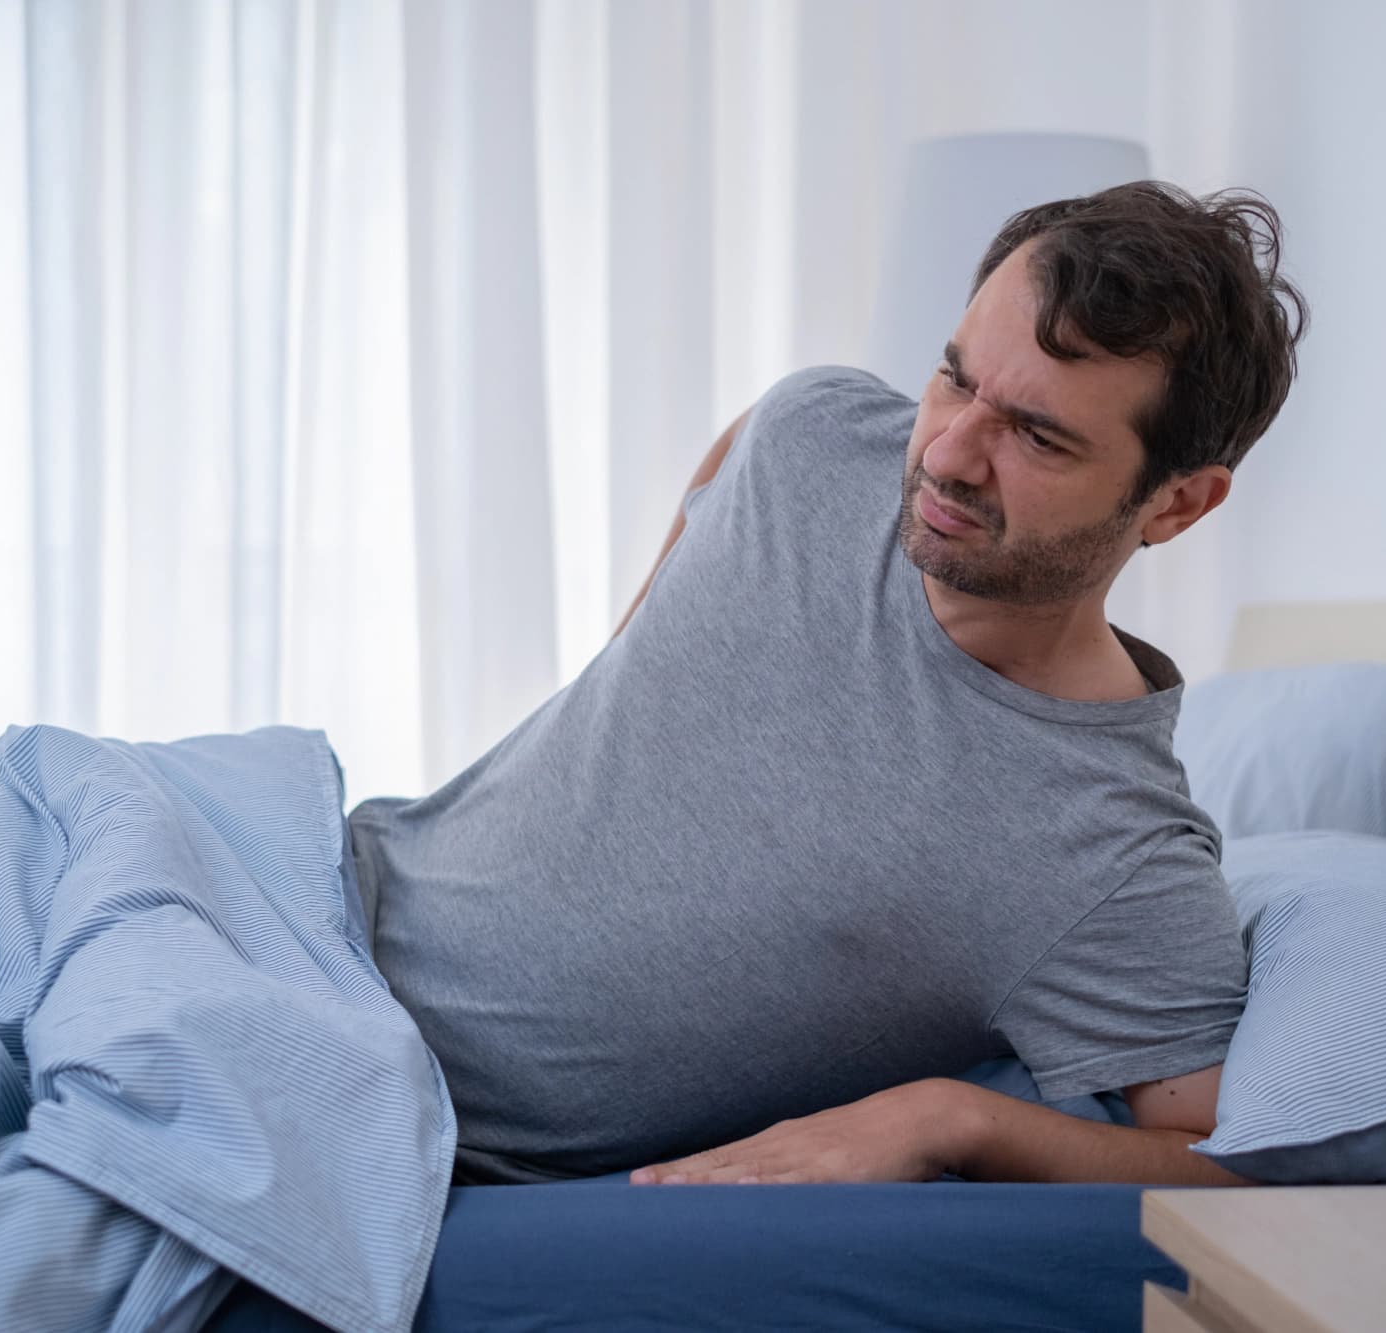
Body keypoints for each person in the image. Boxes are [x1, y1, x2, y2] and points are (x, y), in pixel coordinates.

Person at [346, 181, 1308, 1187]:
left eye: (1036, 436)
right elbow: (731, 470)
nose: (945, 454)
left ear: (1177, 503)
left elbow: (1221, 1168)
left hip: (379, 1095)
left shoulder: (1116, 852)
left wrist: (948, 1117)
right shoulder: (816, 428)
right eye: (952, 378)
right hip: (309, 877)